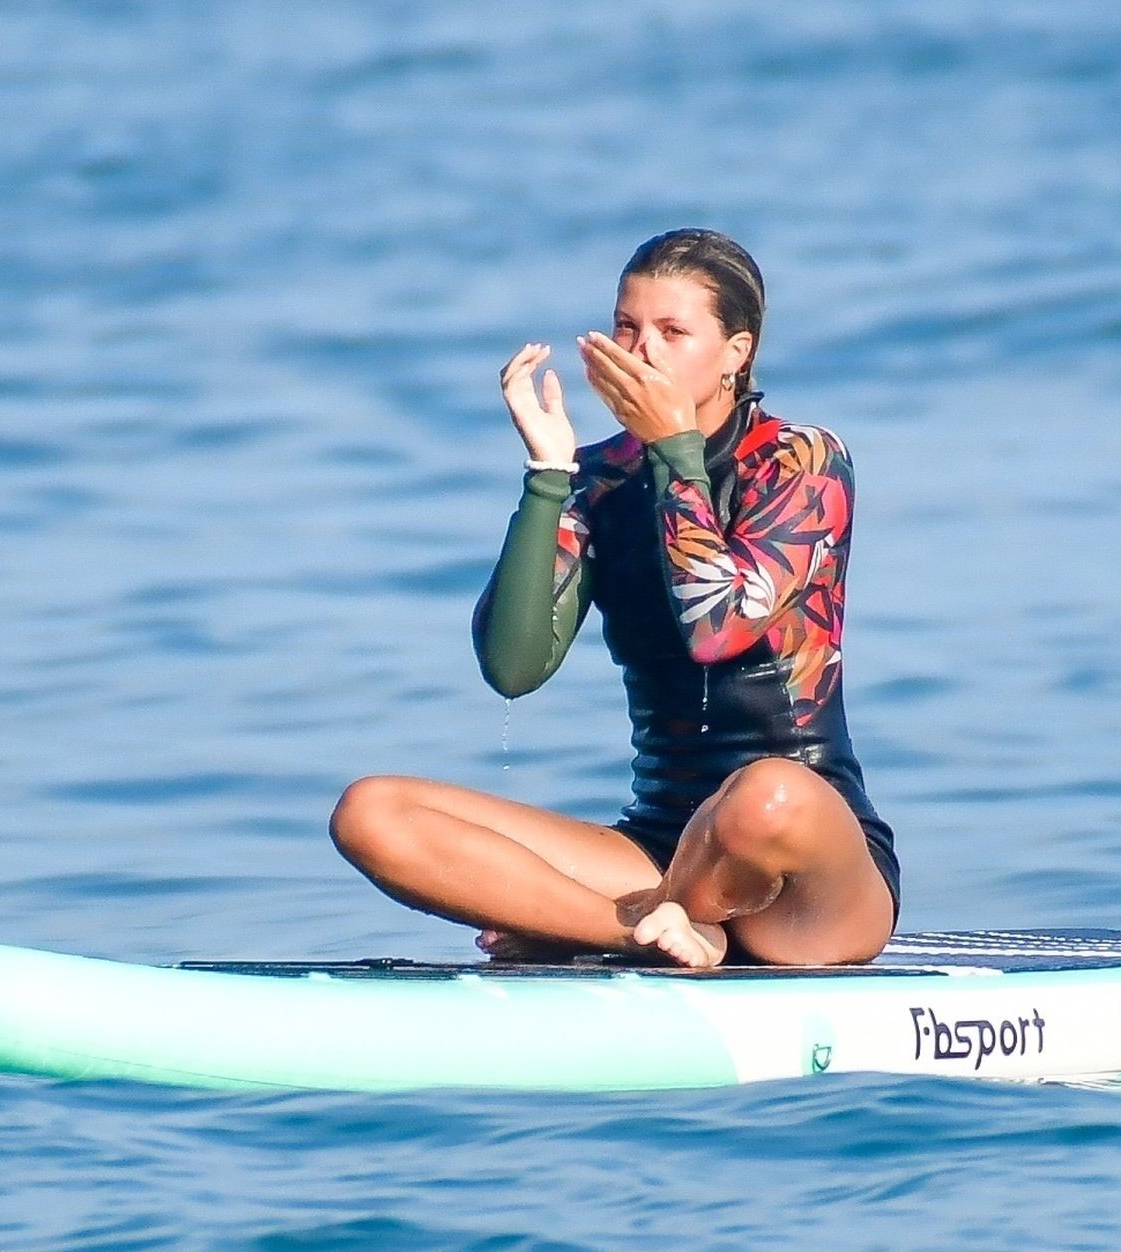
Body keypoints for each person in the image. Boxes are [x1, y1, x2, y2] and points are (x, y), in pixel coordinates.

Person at [329, 228, 898, 968]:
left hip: (802, 864)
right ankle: (635, 932)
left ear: (736, 352)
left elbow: (717, 629)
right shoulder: (600, 479)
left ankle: (636, 920)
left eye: (672, 332)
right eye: (627, 327)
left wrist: (674, 453)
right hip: (653, 850)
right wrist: (548, 475)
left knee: (764, 797)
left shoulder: (802, 461)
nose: (641, 350)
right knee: (372, 811)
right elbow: (514, 667)